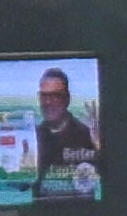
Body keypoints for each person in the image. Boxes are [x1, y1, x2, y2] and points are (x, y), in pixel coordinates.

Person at [30, 67, 102, 201]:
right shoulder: (33, 138)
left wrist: (99, 146)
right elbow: (21, 185)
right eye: (44, 96)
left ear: (67, 99)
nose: (48, 102)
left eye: (55, 96)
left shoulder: (86, 135)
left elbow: (111, 180)